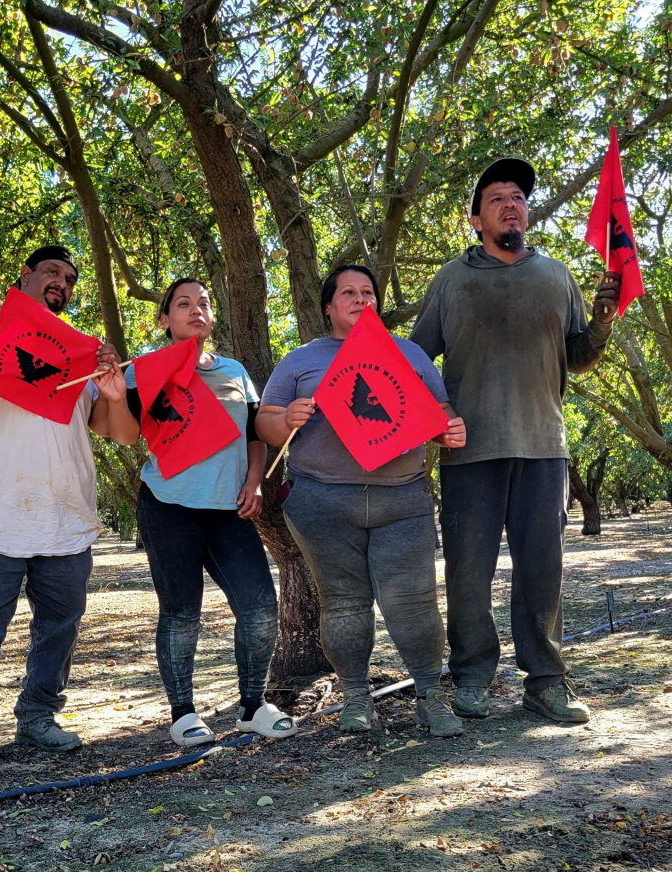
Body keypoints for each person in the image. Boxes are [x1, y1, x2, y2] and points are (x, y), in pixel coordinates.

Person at [410, 157, 622, 725]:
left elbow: (577, 357)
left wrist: (602, 321)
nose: (511, 205)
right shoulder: (451, 279)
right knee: (468, 573)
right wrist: (439, 414)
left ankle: (546, 682)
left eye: (519, 198)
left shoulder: (556, 276)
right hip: (468, 450)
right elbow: (415, 360)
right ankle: (472, 677)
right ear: (476, 219)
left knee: (542, 571)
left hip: (544, 446)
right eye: (497, 198)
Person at [0, 245, 124, 765]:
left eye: (70, 279)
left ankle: (38, 716)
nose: (62, 282)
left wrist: (112, 386)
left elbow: (104, 425)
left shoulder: (84, 351)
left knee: (59, 626)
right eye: (52, 272)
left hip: (66, 515)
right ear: (25, 275)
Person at [257, 265, 467, 737]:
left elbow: (441, 412)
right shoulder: (300, 360)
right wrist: (285, 418)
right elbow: (266, 423)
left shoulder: (408, 353)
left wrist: (449, 429)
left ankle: (431, 697)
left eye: (368, 292)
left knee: (414, 603)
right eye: (348, 293)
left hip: (403, 501)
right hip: (322, 503)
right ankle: (355, 697)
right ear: (328, 307)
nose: (360, 299)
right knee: (344, 603)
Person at [102, 278, 294, 746]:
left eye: (204, 303)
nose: (196, 310)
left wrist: (254, 483)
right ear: (164, 319)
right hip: (168, 506)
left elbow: (254, 434)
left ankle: (253, 706)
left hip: (229, 511)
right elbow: (125, 436)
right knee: (181, 613)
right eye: (183, 303)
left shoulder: (234, 371)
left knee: (259, 608)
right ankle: (183, 714)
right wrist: (115, 396)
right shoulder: (141, 370)